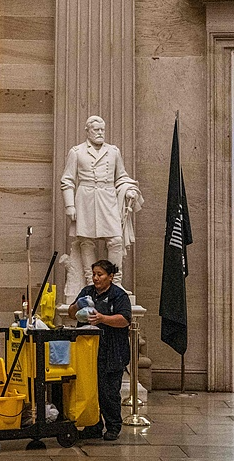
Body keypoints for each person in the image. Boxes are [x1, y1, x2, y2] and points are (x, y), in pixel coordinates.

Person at [60, 115, 143, 290]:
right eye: (96, 130)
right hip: (85, 199)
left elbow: (120, 176)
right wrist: (70, 205)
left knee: (115, 240)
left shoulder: (113, 152)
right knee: (86, 241)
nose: (100, 133)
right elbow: (67, 180)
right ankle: (91, 282)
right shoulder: (77, 152)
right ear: (87, 131)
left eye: (102, 130)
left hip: (108, 199)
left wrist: (128, 189)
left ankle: (115, 283)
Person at [67, 259, 132, 442]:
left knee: (109, 391)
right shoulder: (87, 292)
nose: (96, 278)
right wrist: (76, 306)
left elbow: (125, 319)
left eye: (100, 274)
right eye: (94, 274)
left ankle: (113, 426)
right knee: (90, 389)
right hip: (87, 350)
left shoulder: (119, 296)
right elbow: (72, 313)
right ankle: (92, 425)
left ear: (110, 277)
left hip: (112, 350)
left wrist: (103, 318)